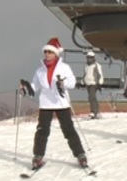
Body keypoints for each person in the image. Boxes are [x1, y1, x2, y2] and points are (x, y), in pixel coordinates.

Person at [21, 37, 87, 169]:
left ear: (56, 53)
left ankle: (80, 155)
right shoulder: (40, 70)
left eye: (50, 52)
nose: (47, 54)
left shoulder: (64, 67)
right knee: (42, 130)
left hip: (61, 102)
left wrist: (63, 82)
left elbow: (72, 82)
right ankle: (37, 156)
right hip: (46, 103)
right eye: (45, 52)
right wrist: (26, 87)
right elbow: (35, 86)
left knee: (68, 130)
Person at [81, 51, 104, 119]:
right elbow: (85, 74)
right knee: (90, 98)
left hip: (94, 83)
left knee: (92, 97)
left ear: (93, 58)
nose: (89, 59)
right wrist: (82, 81)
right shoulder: (86, 66)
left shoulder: (97, 65)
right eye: (87, 58)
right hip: (88, 83)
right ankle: (93, 111)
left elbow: (100, 75)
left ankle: (95, 112)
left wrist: (100, 83)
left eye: (90, 58)